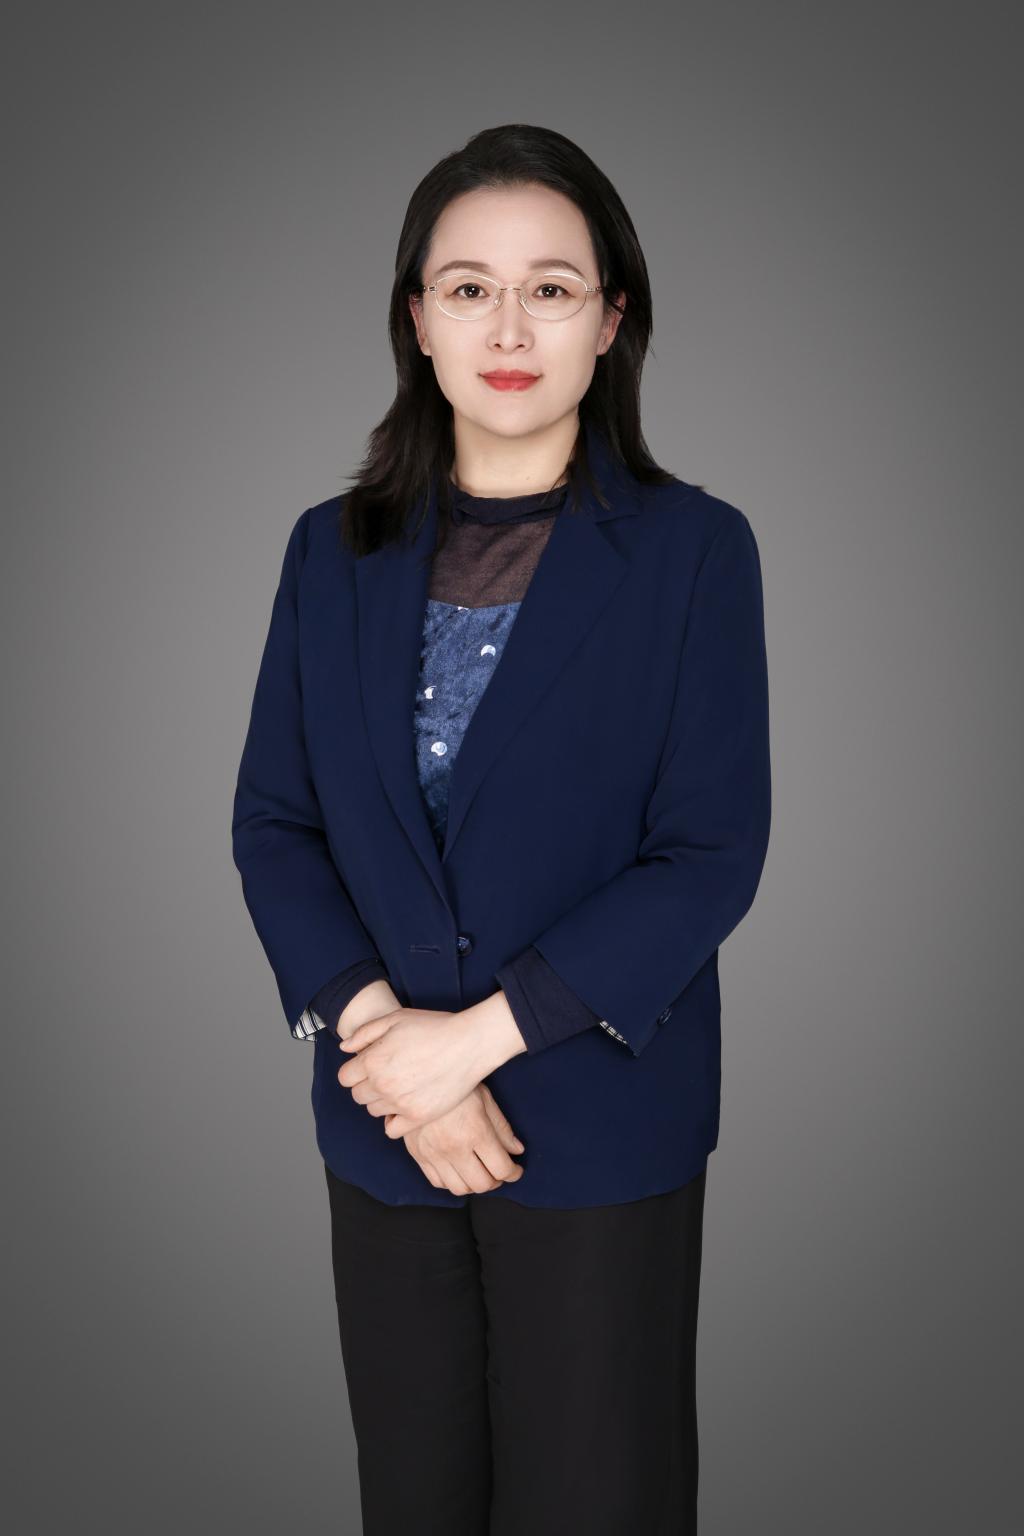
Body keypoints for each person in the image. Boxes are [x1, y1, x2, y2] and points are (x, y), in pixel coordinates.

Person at [231, 122, 771, 1535]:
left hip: (598, 1128)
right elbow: (276, 823)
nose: (510, 327)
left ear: (613, 319)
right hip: (386, 1134)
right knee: (414, 1502)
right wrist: (390, 1053)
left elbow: (709, 852)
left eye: (552, 288)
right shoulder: (329, 550)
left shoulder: (694, 551)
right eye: (469, 288)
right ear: (417, 320)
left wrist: (472, 1044)